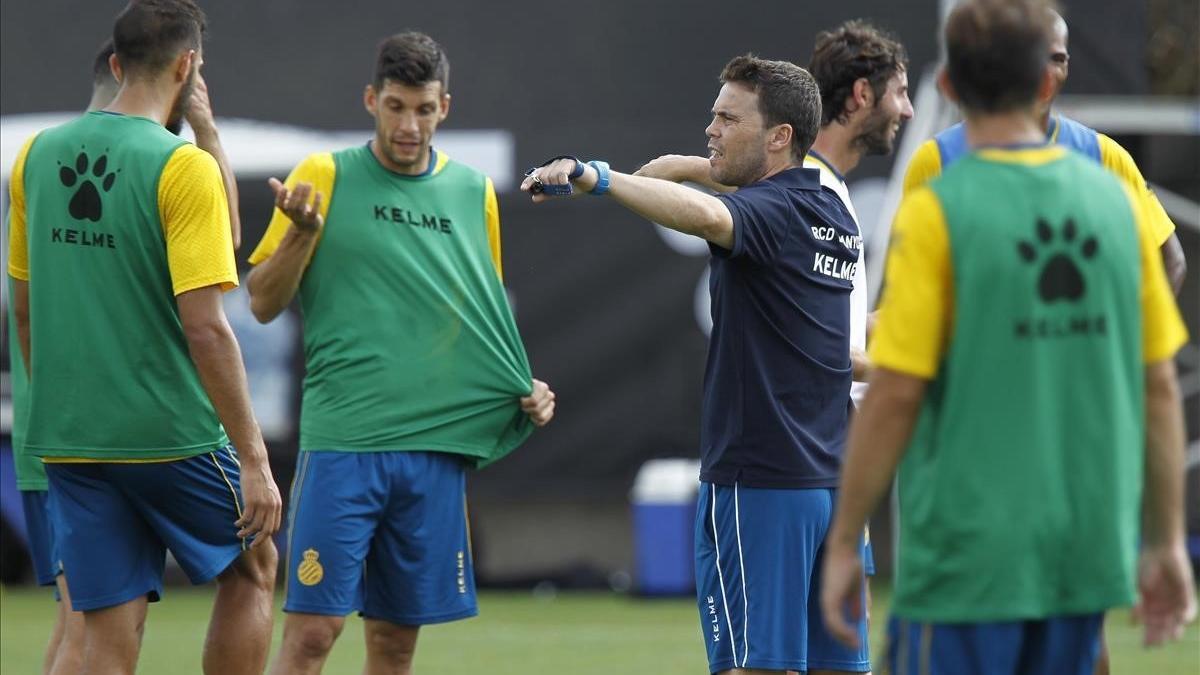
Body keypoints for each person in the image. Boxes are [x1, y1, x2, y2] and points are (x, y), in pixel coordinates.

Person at [820, 1, 1196, 674]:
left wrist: (845, 539)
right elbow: (1159, 382)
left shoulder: (942, 206)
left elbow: (900, 388)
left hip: (968, 538)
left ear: (948, 87)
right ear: (1043, 79)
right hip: (1084, 521)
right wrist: (1166, 538)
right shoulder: (1111, 199)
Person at [524, 55, 864, 675]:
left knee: (752, 666)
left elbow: (710, 215)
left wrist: (595, 176)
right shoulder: (832, 214)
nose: (710, 129)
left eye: (727, 119)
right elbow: (690, 182)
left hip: (759, 482)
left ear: (779, 136)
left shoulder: (766, 216)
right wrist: (693, 165)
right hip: (835, 488)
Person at [246, 31, 555, 675]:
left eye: (423, 108)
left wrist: (521, 389)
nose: (409, 124)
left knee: (394, 645)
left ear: (445, 106)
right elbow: (263, 302)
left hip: (432, 455)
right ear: (370, 101)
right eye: (395, 107)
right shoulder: (321, 176)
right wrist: (302, 237)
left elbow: (477, 323)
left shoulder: (473, 193)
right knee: (311, 636)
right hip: (345, 446)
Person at [7, 1, 283, 673]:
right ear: (188, 66)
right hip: (165, 433)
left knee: (102, 626)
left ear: (114, 62)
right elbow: (207, 328)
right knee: (253, 566)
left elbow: (23, 309)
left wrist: (60, 403)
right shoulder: (182, 167)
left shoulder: (36, 157)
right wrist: (253, 457)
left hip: (71, 435)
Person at [635, 24, 914, 634]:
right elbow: (840, 343)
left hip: (813, 470)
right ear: (862, 95)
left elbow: (839, 337)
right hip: (805, 473)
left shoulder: (823, 196)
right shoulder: (804, 190)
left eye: (725, 121)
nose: (910, 109)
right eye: (900, 91)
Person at [903, 8, 1187, 292]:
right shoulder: (937, 160)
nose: (1045, 73)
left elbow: (1170, 258)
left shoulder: (1103, 155)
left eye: (1057, 60)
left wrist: (1131, 334)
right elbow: (910, 284)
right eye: (1033, 58)